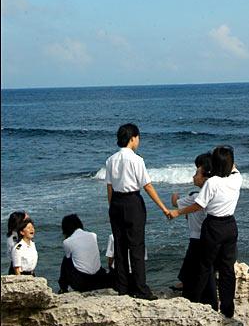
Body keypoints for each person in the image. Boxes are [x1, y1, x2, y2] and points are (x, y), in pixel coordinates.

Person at [169, 145, 241, 318]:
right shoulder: (236, 179)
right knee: (227, 269)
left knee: (204, 265)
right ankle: (227, 309)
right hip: (230, 225)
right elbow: (234, 167)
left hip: (214, 226)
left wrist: (177, 212)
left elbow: (199, 205)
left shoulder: (212, 182)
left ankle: (194, 302)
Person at [106, 123, 170, 300]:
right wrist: (164, 208)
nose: (138, 141)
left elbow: (109, 187)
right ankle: (141, 289)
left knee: (120, 247)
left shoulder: (111, 160)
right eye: (138, 138)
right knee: (136, 247)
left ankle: (123, 286)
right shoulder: (136, 160)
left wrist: (112, 207)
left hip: (117, 203)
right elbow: (147, 186)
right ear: (133, 138)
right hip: (133, 202)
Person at [170, 152, 215, 305]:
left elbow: (176, 203)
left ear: (205, 177)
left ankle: (192, 295)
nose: (193, 176)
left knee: (195, 266)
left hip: (197, 238)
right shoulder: (210, 194)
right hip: (208, 237)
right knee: (199, 266)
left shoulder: (196, 197)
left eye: (196, 173)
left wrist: (174, 194)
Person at [58, 214, 109, 293]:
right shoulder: (93, 235)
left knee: (66, 259)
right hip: (98, 278)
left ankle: (63, 287)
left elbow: (68, 261)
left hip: (82, 283)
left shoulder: (67, 242)